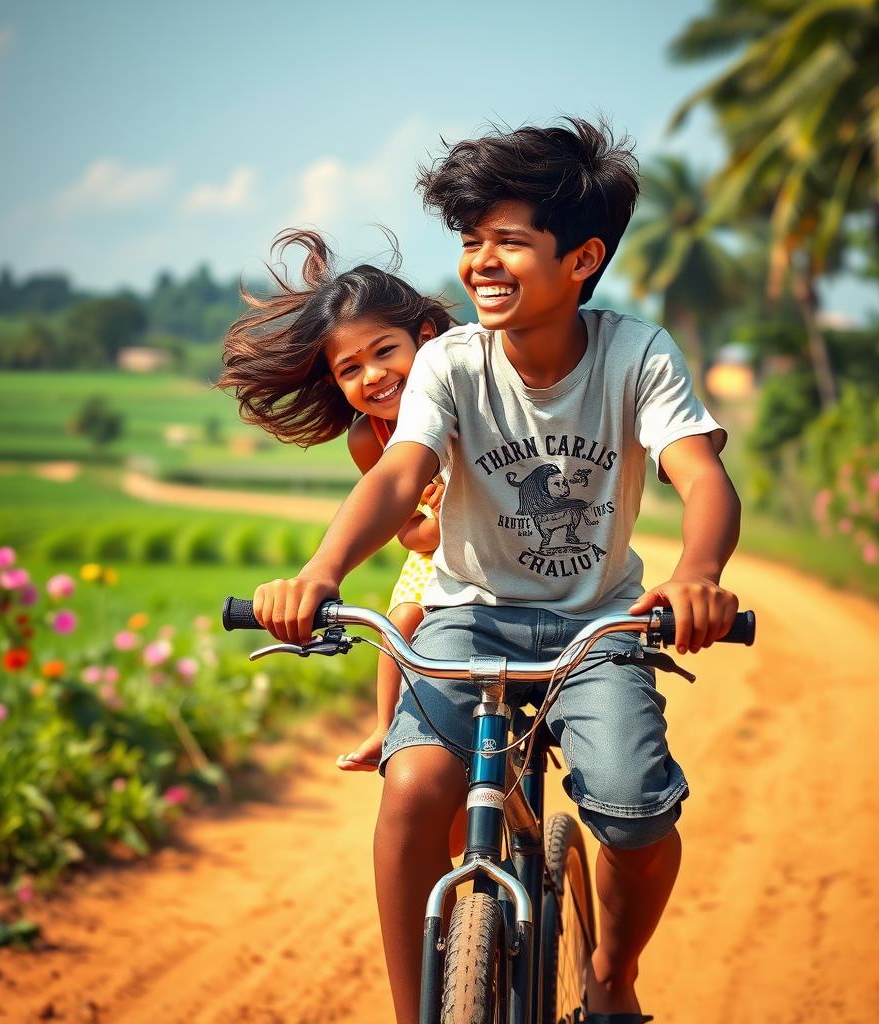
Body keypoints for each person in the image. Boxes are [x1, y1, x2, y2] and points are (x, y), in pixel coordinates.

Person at [252, 118, 741, 1024]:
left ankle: (612, 974)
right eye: (472, 242)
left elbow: (702, 474)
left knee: (636, 817)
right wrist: (322, 569)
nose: (481, 261)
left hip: (600, 627)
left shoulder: (638, 356)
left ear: (583, 257)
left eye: (509, 240)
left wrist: (697, 572)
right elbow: (400, 474)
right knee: (413, 790)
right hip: (466, 618)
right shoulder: (447, 362)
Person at [218, 228, 452, 771]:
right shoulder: (369, 438)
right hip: (436, 553)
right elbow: (407, 531)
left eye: (386, 351)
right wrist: (439, 526)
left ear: (424, 338)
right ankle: (384, 727)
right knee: (403, 618)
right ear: (335, 380)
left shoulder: (469, 395)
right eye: (351, 368)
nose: (373, 375)